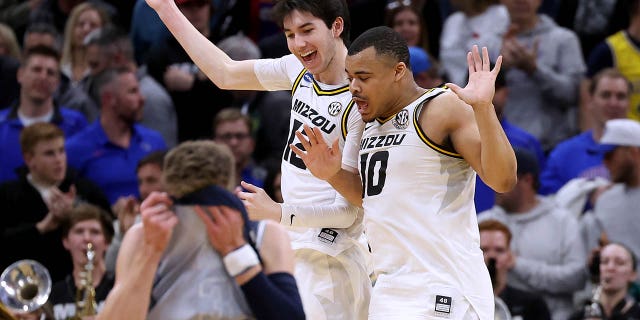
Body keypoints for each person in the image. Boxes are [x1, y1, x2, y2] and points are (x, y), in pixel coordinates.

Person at [146, 0, 372, 318]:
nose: (299, 44)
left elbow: (352, 210)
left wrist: (277, 212)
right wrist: (166, 9)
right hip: (297, 242)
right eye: (290, 34)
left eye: (307, 30)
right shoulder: (298, 70)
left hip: (332, 252)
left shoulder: (362, 98)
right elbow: (224, 73)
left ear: (336, 27)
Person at [293, 26, 517, 319]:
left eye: (364, 77)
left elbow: (503, 180)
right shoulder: (368, 124)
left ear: (398, 71)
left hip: (444, 287)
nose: (354, 88)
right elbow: (375, 199)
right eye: (350, 78)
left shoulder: (441, 107)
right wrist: (332, 174)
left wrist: (484, 110)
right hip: (390, 287)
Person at [97, 140, 304, 319]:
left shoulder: (266, 233)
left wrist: (237, 250)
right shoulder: (143, 235)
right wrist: (151, 252)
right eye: (187, 210)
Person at [478, 148, 586, 320]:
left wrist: (518, 265)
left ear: (527, 180)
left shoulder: (562, 222)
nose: (494, 184)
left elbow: (577, 278)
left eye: (502, 175)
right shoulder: (483, 222)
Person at [0, 122, 111, 283]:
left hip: (80, 285)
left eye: (61, 151)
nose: (59, 159)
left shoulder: (86, 189)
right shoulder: (7, 195)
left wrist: (75, 215)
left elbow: (108, 233)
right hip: (26, 285)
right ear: (29, 159)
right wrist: (42, 227)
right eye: (49, 153)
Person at [65, 67, 167, 204]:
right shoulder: (75, 149)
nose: (142, 98)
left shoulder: (155, 141)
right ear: (109, 99)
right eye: (132, 92)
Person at [0, 45, 88, 184]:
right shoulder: (1, 124)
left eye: (50, 72)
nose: (43, 77)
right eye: (36, 70)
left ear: (58, 82)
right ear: (20, 75)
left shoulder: (76, 123)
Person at [540, 68, 631, 195]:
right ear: (590, 101)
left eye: (620, 96)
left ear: (629, 103)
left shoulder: (636, 151)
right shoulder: (564, 155)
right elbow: (550, 205)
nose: (613, 103)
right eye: (606, 95)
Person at [48, 203, 115, 320]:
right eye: (79, 231)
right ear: (66, 241)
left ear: (107, 242)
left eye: (95, 232)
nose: (87, 238)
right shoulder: (53, 294)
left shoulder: (120, 288)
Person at [478, 219, 551, 320]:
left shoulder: (532, 305)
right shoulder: (458, 300)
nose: (492, 256)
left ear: (510, 255)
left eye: (499, 250)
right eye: (484, 249)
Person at [568, 242, 640, 320]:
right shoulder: (581, 315)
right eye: (604, 262)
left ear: (633, 275)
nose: (610, 268)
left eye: (620, 263)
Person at [212, 108, 267, 188]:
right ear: (215, 142)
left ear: (252, 143)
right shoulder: (204, 182)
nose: (234, 143)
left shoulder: (266, 179)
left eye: (240, 136)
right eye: (226, 136)